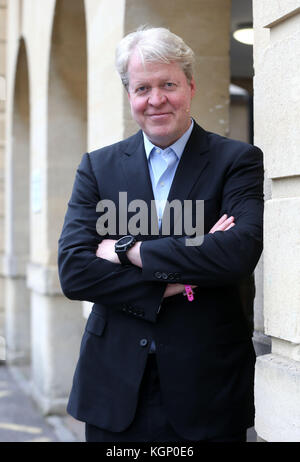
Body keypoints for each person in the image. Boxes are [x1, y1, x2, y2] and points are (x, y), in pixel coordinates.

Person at [58, 26, 264, 442]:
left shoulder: (236, 162)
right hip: (114, 386)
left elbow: (236, 254)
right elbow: (74, 271)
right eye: (142, 88)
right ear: (129, 94)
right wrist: (173, 282)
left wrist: (128, 249)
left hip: (206, 387)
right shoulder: (99, 168)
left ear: (189, 85)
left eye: (167, 84)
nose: (155, 100)